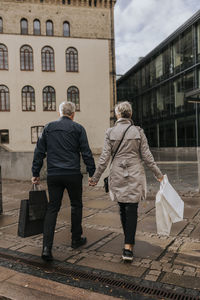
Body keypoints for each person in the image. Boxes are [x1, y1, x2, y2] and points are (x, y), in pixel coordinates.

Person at [89, 101, 163, 262]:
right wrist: (158, 174)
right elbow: (147, 156)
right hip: (135, 173)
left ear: (117, 115)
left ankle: (128, 242)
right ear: (130, 114)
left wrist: (95, 178)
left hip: (117, 173)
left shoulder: (110, 132)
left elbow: (104, 159)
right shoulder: (138, 131)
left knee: (123, 207)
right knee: (132, 209)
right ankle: (128, 246)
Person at [32, 101, 95, 261]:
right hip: (72, 173)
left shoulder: (48, 127)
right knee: (76, 205)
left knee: (52, 208)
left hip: (54, 174)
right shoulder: (79, 128)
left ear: (59, 113)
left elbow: (39, 151)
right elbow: (86, 152)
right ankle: (75, 239)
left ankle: (46, 248)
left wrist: (35, 172)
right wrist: (92, 172)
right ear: (73, 114)